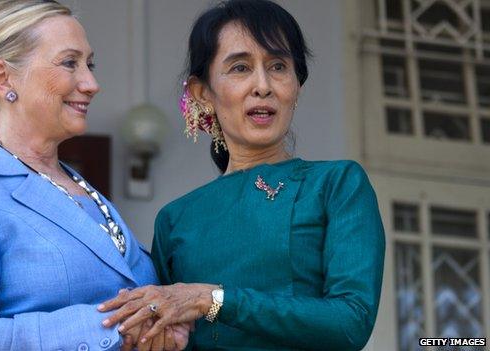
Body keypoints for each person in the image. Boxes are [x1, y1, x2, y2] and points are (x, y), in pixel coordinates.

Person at [99, 0, 386, 350]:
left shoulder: (336, 185)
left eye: (278, 66)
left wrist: (214, 300)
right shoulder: (176, 220)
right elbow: (166, 334)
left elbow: (350, 322)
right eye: (240, 68)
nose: (262, 85)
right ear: (202, 93)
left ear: (297, 86)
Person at [0, 1, 188, 350]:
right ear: (3, 77)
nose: (91, 83)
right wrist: (111, 327)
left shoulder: (90, 195)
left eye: (90, 64)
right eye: (70, 63)